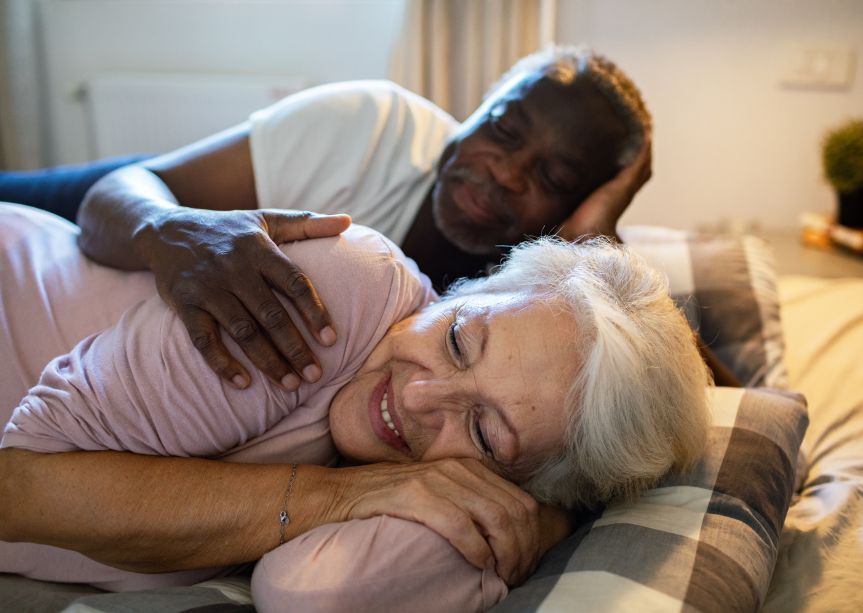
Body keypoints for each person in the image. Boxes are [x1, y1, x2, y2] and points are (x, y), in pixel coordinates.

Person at [0, 203, 710, 609]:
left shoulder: (470, 486)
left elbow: (309, 592)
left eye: (485, 429)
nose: (420, 392)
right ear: (466, 293)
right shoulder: (336, 291)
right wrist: (339, 494)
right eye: (461, 339)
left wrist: (542, 517)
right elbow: (21, 491)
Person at [0, 45, 657, 394]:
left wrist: (597, 239)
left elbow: (678, 396)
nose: (508, 172)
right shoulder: (374, 127)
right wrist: (171, 228)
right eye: (504, 129)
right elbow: (112, 197)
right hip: (86, 211)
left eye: (554, 178)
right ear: (476, 108)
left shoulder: (530, 306)